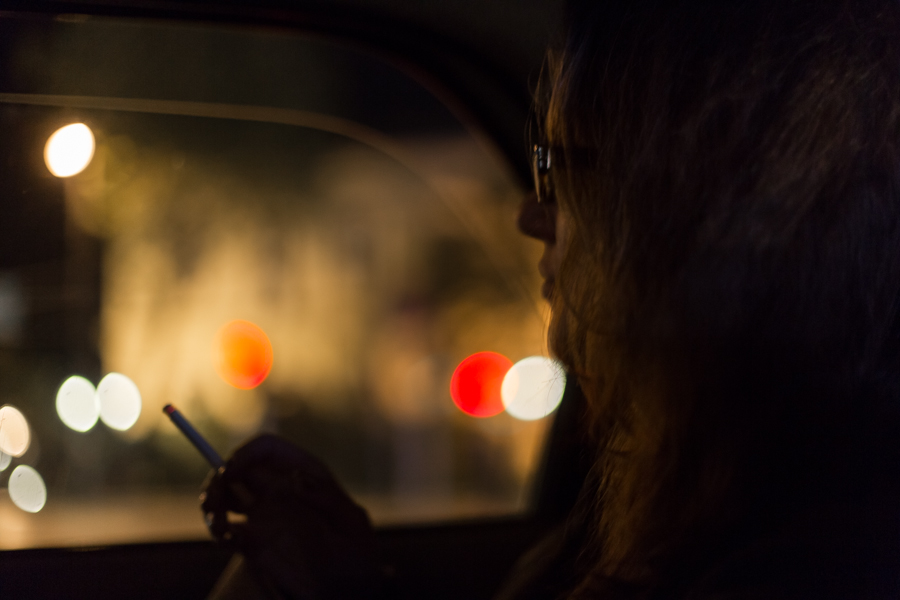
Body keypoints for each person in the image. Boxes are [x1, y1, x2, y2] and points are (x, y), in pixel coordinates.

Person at [202, 0, 900, 597]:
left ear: (690, 210)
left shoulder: (793, 558)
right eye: (542, 163)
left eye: (565, 169)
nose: (530, 216)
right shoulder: (692, 501)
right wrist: (344, 571)